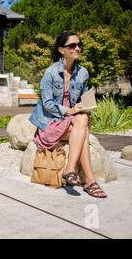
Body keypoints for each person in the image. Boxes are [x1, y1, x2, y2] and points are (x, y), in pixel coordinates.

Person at [29, 31, 107, 198]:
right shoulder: (50, 73)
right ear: (61, 50)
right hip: (51, 120)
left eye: (79, 45)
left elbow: (86, 100)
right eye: (72, 45)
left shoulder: (83, 72)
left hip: (73, 120)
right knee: (83, 131)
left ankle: (70, 170)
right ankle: (90, 181)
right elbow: (47, 104)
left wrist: (85, 106)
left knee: (84, 118)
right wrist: (69, 110)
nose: (77, 48)